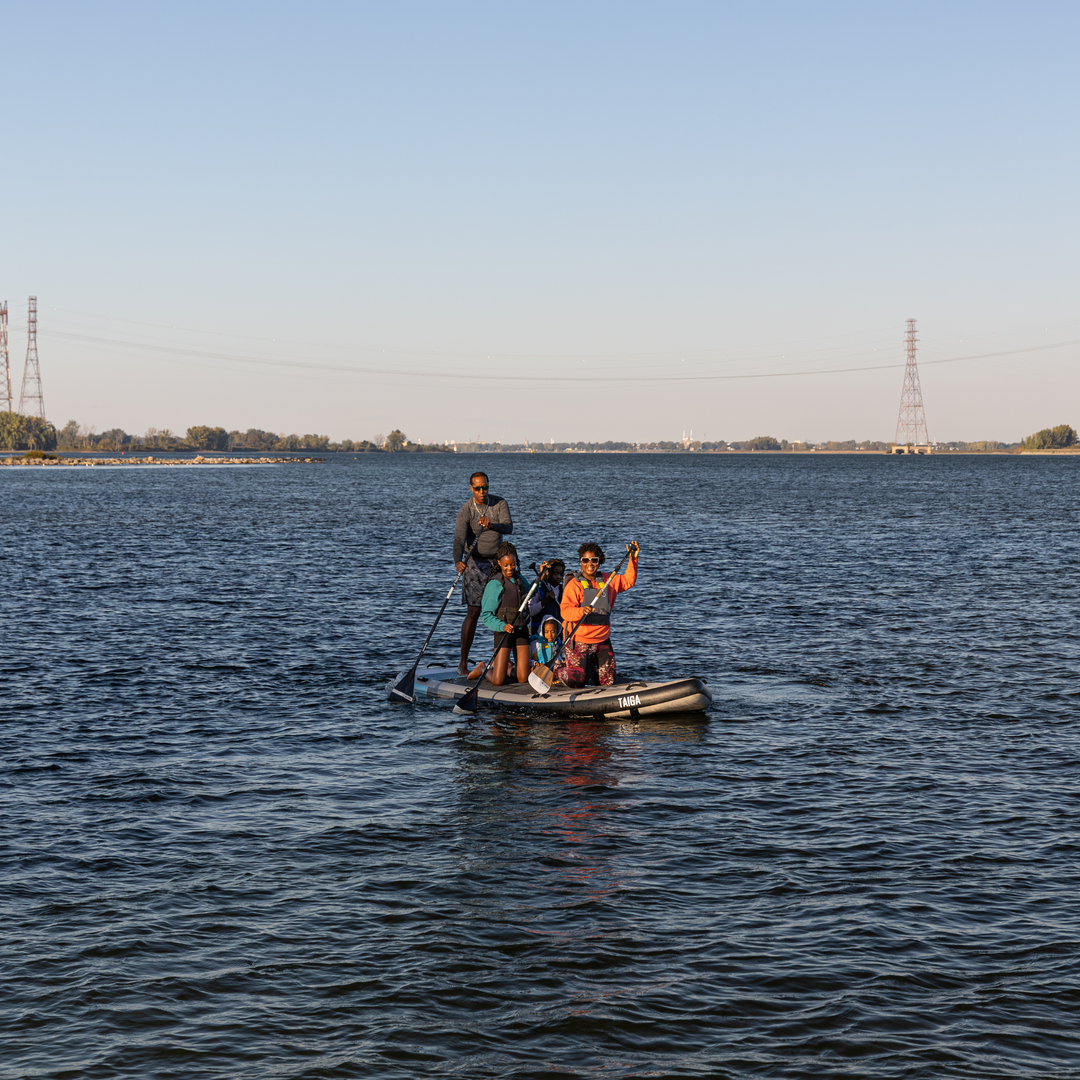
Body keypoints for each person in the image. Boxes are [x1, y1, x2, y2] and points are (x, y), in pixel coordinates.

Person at [453, 471, 513, 675]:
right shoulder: (466, 510)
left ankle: (503, 660)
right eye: (477, 488)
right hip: (475, 562)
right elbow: (459, 540)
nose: (482, 491)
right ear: (471, 489)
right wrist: (458, 561)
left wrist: (492, 525)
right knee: (474, 612)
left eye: (485, 487)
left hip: (497, 563)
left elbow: (508, 528)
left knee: (504, 610)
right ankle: (463, 663)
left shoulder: (499, 503)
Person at [558, 540, 639, 688]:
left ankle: (590, 668)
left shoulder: (609, 580)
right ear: (581, 562)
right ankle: (558, 668)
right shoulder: (574, 585)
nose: (589, 564)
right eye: (585, 560)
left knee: (607, 681)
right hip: (578, 640)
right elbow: (565, 611)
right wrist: (581, 611)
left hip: (601, 639)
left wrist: (633, 559)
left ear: (599, 562)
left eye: (594, 560)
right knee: (577, 681)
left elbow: (628, 581)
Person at [473, 542, 534, 686]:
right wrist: (502, 626)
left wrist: (542, 578)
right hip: (503, 632)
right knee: (497, 681)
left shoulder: (521, 579)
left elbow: (531, 592)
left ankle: (507, 667)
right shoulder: (494, 584)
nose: (509, 568)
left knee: (523, 678)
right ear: (500, 563)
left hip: (521, 630)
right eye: (506, 565)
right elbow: (486, 615)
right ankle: (482, 668)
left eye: (512, 564)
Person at [528, 558, 565, 634]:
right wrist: (545, 601)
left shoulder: (564, 590)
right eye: (555, 573)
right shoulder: (539, 588)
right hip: (539, 634)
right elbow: (530, 611)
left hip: (557, 634)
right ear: (548, 572)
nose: (558, 577)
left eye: (561, 574)